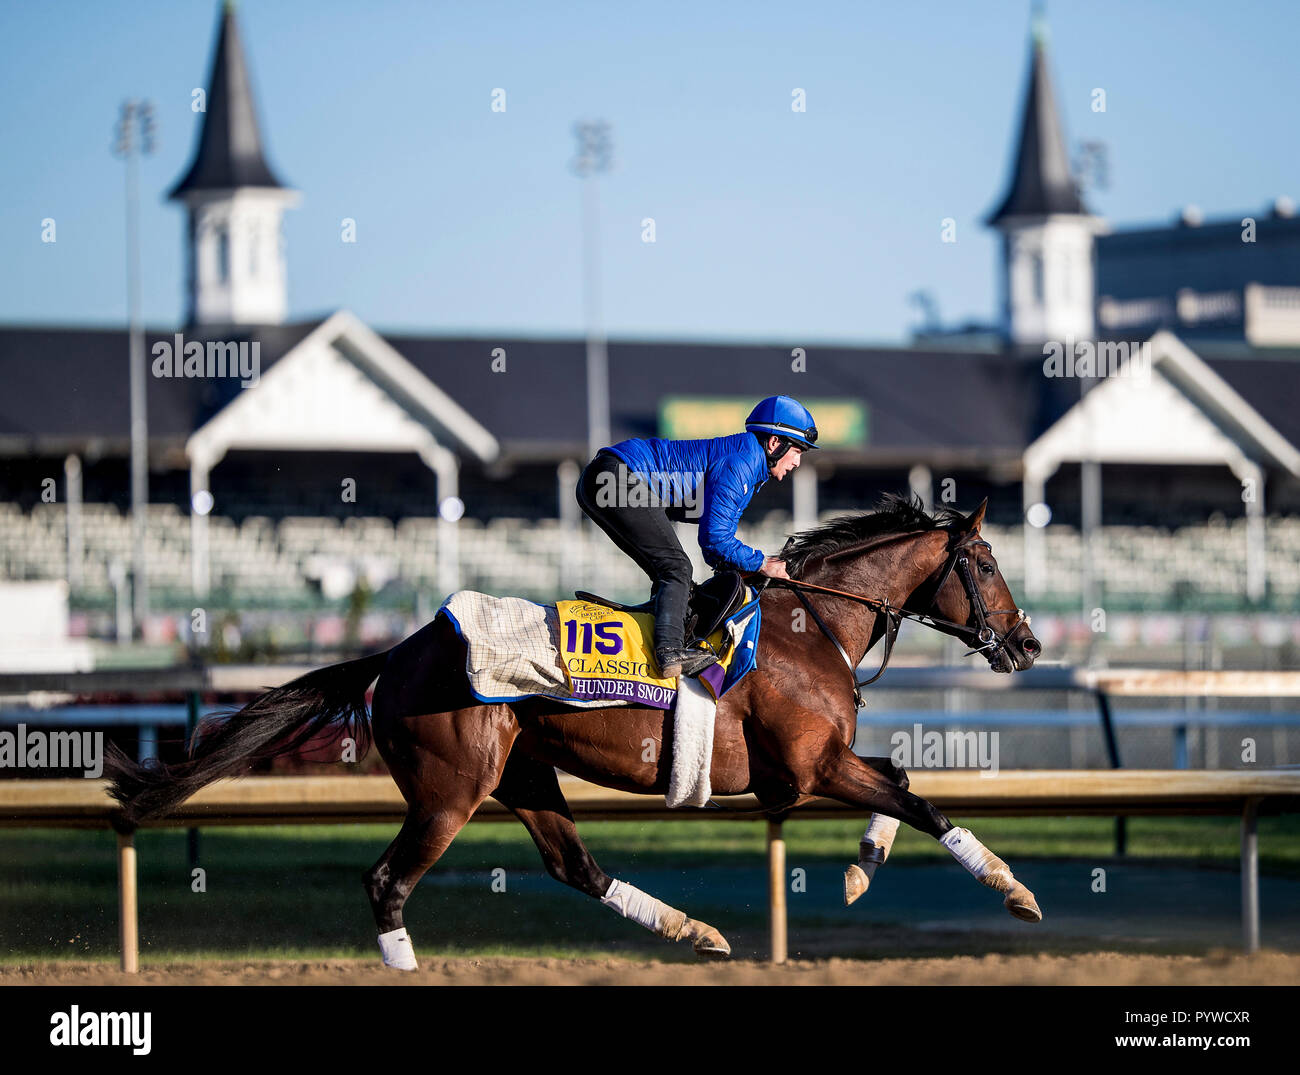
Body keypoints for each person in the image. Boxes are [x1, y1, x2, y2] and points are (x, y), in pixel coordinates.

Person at [575, 395, 818, 678]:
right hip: (614, 477)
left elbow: (715, 551)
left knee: (672, 573)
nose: (798, 462)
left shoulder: (748, 464)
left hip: (603, 478)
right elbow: (715, 539)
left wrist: (749, 566)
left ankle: (659, 632)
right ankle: (668, 651)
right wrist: (763, 562)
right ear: (775, 443)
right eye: (798, 451)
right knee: (676, 568)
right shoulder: (742, 461)